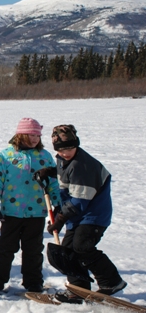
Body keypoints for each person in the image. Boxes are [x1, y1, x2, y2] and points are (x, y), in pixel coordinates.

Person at [35, 125, 126, 303]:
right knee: (68, 251)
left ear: (76, 145)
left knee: (82, 246)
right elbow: (66, 174)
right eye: (60, 150)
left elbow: (79, 201)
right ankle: (78, 290)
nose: (65, 153)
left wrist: (59, 219)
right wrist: (51, 172)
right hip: (77, 216)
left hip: (94, 215)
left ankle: (111, 281)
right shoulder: (64, 159)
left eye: (69, 148)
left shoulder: (83, 166)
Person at [0, 118, 60, 295]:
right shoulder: (6, 156)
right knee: (5, 248)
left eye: (37, 136)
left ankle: (33, 282)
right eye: (31, 135)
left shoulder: (44, 156)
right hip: (11, 212)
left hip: (37, 212)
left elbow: (54, 183)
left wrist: (58, 204)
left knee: (33, 250)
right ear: (21, 135)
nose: (35, 139)